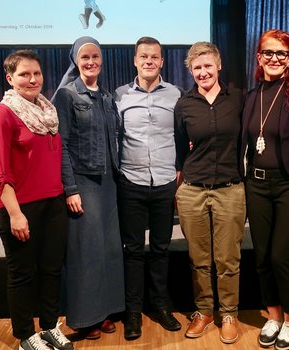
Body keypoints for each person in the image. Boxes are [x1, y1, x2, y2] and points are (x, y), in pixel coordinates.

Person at [0, 50, 72, 350]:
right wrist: (15, 214)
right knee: (22, 273)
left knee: (51, 269)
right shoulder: (1, 116)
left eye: (36, 73)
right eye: (24, 74)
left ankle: (49, 326)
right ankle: (25, 335)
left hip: (53, 203)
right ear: (10, 79)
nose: (32, 79)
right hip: (18, 207)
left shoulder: (48, 113)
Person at [240, 29, 289, 350]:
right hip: (256, 185)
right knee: (261, 257)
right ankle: (272, 315)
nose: (274, 59)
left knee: (281, 256)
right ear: (258, 58)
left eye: (281, 54)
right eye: (268, 53)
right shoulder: (251, 95)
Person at [52, 36, 124, 340]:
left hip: (109, 183)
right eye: (85, 58)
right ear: (75, 61)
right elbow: (61, 146)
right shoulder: (66, 96)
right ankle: (84, 318)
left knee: (108, 249)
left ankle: (105, 311)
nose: (91, 62)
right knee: (86, 252)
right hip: (83, 182)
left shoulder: (107, 96)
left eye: (95, 56)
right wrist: (70, 188)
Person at [174, 41, 246, 345]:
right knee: (199, 258)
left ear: (218, 66)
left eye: (207, 66)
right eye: (197, 67)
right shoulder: (184, 104)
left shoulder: (239, 100)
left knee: (228, 258)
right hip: (193, 190)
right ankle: (203, 311)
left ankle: (228, 313)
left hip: (230, 190)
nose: (203, 72)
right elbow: (180, 149)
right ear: (191, 70)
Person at [113, 36, 182, 340]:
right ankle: (132, 312)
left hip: (166, 182)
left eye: (155, 57)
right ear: (135, 60)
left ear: (162, 61)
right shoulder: (120, 96)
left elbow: (183, 138)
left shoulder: (176, 95)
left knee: (161, 249)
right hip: (132, 182)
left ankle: (160, 306)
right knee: (132, 251)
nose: (149, 61)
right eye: (144, 56)